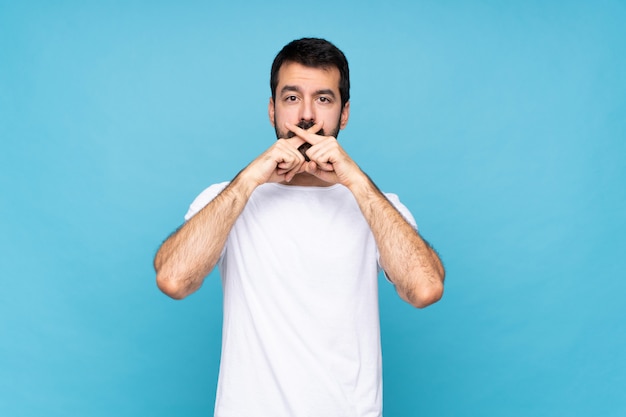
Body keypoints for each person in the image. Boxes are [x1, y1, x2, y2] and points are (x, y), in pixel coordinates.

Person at [154, 37, 445, 417]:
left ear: (344, 114)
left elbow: (424, 289)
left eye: (323, 99)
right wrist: (247, 182)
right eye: (292, 98)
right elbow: (174, 280)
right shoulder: (226, 198)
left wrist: (355, 181)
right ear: (272, 110)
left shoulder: (376, 204)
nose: (307, 115)